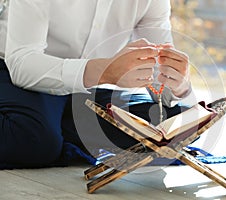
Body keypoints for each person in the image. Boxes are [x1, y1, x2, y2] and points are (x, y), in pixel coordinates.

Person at [0, 0, 193, 169]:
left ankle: (56, 125)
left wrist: (178, 83)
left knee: (176, 126)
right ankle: (53, 128)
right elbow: (22, 63)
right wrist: (105, 71)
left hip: (89, 85)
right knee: (35, 140)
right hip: (16, 72)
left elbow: (161, 73)